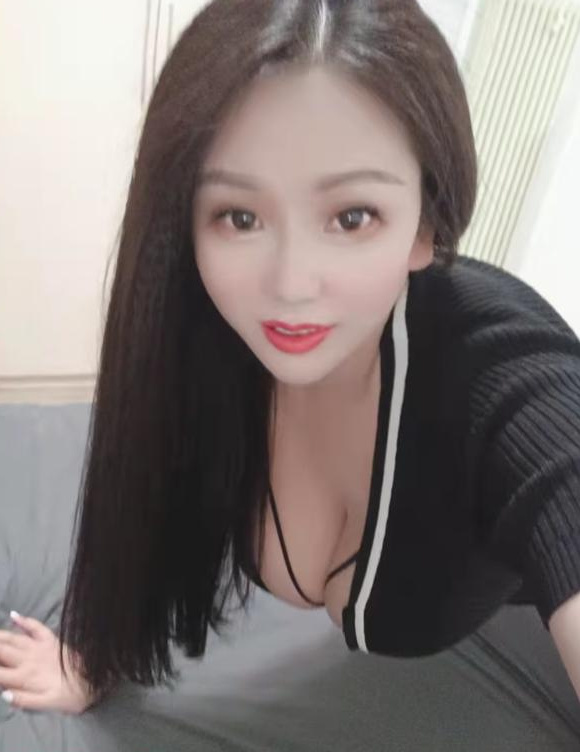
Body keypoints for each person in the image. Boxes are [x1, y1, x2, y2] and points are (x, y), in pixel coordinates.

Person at [0, 0, 579, 721]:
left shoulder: (507, 381)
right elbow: (145, 506)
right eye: (240, 217)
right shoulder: (202, 329)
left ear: (425, 226)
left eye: (352, 217)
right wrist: (94, 656)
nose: (291, 284)